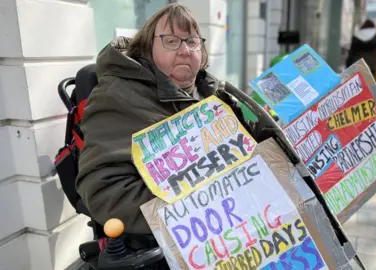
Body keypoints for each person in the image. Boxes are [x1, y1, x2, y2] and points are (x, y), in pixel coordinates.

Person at [76, 3, 270, 252]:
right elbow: (105, 193)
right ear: (147, 47)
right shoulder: (117, 96)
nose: (184, 50)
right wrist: (198, 208)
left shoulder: (212, 92)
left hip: (245, 226)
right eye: (171, 41)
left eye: (192, 42)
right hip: (181, 242)